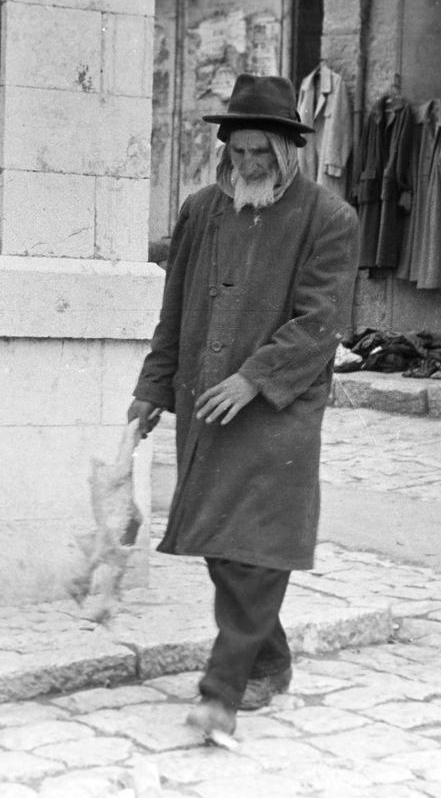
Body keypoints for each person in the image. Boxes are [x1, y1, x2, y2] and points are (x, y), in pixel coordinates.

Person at [127, 73, 360, 744]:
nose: (250, 165)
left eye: (264, 153)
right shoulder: (201, 211)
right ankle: (271, 658)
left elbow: (320, 320)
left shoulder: (329, 219)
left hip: (279, 408)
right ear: (225, 149)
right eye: (240, 152)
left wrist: (254, 378)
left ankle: (221, 691)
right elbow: (173, 314)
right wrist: (151, 390)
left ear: (289, 152)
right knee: (220, 546)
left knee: (258, 547)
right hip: (206, 400)